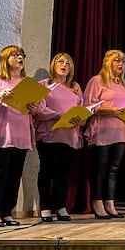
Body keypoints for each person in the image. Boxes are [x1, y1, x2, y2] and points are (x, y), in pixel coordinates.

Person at [0, 45, 40, 227]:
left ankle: (7, 212)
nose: (20, 58)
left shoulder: (26, 82)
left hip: (20, 136)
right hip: (0, 135)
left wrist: (34, 108)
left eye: (22, 55)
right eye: (15, 55)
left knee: (14, 176)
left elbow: (36, 107)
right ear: (5, 59)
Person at [33, 52, 84, 222]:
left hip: (69, 135)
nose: (64, 65)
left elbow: (82, 111)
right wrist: (59, 114)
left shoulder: (75, 88)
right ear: (53, 65)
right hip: (49, 135)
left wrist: (80, 118)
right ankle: (45, 207)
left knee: (64, 173)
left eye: (68, 63)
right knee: (48, 170)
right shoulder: (44, 85)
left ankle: (60, 206)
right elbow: (39, 110)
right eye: (60, 62)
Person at [83, 49, 125, 219]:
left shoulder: (124, 85)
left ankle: (110, 203)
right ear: (108, 61)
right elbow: (88, 106)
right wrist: (109, 110)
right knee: (100, 169)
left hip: (121, 131)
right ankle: (97, 203)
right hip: (103, 130)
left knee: (113, 170)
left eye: (124, 61)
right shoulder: (96, 81)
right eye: (117, 60)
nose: (121, 64)